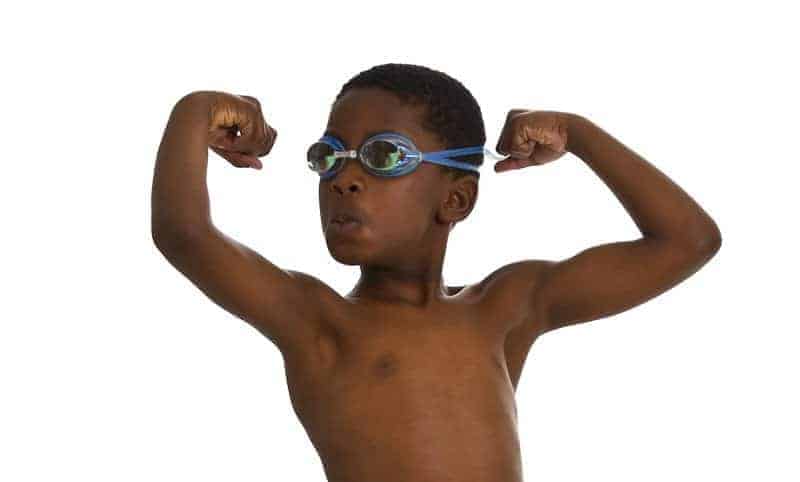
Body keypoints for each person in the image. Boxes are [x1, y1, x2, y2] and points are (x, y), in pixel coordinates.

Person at [151, 63, 721, 482]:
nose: (344, 179)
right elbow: (184, 233)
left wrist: (578, 134)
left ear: (456, 200)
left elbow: (687, 241)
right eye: (330, 156)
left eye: (383, 157)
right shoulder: (317, 321)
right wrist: (196, 107)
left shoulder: (506, 307)